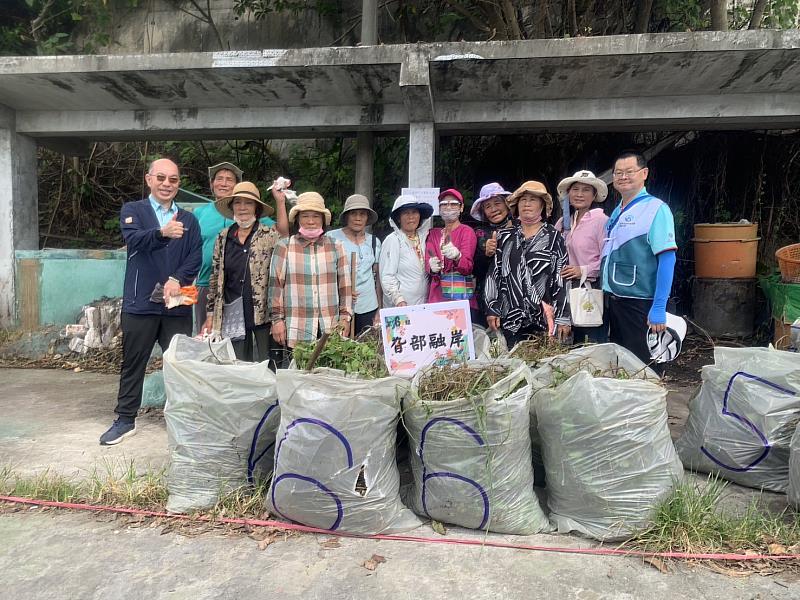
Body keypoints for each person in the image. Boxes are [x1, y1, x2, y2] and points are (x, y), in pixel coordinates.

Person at [100, 158, 201, 445]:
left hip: (177, 304)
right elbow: (135, 240)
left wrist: (176, 278)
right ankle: (125, 419)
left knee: (180, 365)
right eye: (161, 178)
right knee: (134, 362)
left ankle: (183, 419)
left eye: (173, 179)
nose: (167, 184)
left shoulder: (189, 220)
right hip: (140, 304)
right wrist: (162, 233)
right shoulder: (133, 211)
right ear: (148, 179)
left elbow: (195, 256)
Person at [601, 151, 677, 373]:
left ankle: (648, 407)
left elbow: (667, 258)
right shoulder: (618, 211)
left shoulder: (656, 209)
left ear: (644, 173)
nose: (623, 177)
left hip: (641, 304)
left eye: (629, 172)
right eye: (618, 173)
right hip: (616, 301)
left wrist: (659, 306)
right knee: (622, 366)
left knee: (645, 368)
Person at [193, 163, 289, 334]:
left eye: (229, 179)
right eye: (219, 179)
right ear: (211, 183)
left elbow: (282, 234)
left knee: (247, 342)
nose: (223, 183)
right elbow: (190, 247)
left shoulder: (259, 224)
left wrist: (280, 202)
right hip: (208, 285)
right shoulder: (200, 213)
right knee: (209, 335)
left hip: (250, 291)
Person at [485, 181, 571, 349]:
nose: (527, 204)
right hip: (511, 318)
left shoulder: (554, 237)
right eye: (523, 200)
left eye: (533, 199)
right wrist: (492, 308)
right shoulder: (504, 236)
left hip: (545, 319)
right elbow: (493, 275)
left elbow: (562, 278)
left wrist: (563, 317)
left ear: (542, 205)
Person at [201, 181, 281, 362]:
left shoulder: (270, 236)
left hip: (263, 314)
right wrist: (211, 313)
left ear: (257, 208)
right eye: (238, 202)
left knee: (268, 364)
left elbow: (280, 276)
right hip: (232, 311)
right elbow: (215, 277)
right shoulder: (223, 236)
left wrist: (278, 316)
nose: (242, 207)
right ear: (231, 207)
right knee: (237, 365)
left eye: (248, 203)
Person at [268, 192, 353, 352]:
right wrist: (277, 320)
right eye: (305, 216)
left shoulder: (336, 246)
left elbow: (345, 286)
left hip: (330, 326)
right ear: (298, 219)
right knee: (298, 374)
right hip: (297, 326)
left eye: (316, 216)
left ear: (323, 220)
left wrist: (345, 318)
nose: (311, 221)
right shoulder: (284, 246)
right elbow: (276, 287)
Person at [554, 170, 610, 344]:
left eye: (586, 190)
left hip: (590, 288)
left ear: (594, 196)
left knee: (590, 343)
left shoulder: (601, 220)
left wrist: (583, 270)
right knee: (567, 343)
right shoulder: (563, 223)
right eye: (575, 189)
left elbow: (608, 260)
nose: (579, 194)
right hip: (565, 290)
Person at [328, 194, 382, 335]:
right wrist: (343, 291)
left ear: (367, 218)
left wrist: (379, 309)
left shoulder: (374, 242)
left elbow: (377, 278)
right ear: (347, 216)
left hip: (368, 305)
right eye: (353, 214)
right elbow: (325, 273)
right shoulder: (332, 238)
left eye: (362, 214)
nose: (358, 218)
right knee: (341, 350)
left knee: (365, 349)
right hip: (340, 307)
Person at [425, 188, 478, 312]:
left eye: (453, 204)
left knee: (458, 330)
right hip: (437, 294)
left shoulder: (467, 231)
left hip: (459, 292)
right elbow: (429, 256)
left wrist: (458, 257)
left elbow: (468, 266)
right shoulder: (433, 233)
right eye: (444, 204)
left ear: (461, 207)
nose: (448, 207)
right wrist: (431, 266)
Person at [470, 182, 514, 325]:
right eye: (488, 206)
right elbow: (475, 270)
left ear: (507, 204)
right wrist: (486, 255)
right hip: (489, 302)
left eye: (497, 203)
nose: (494, 209)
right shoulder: (479, 234)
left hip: (518, 299)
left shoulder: (522, 227)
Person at [380, 195, 434, 308]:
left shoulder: (425, 238)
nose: (411, 217)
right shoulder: (393, 240)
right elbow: (387, 276)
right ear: (399, 218)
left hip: (423, 303)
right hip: (400, 306)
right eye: (406, 213)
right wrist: (398, 299)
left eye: (414, 212)